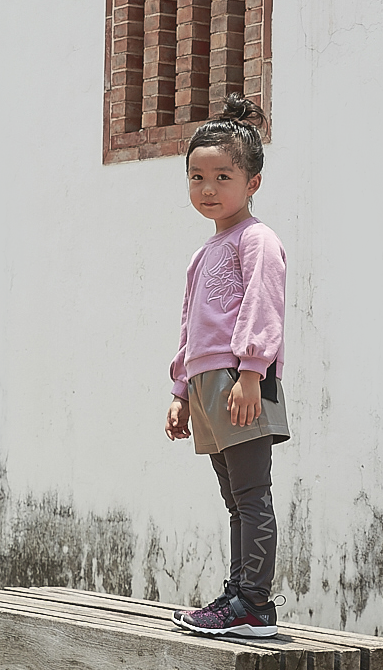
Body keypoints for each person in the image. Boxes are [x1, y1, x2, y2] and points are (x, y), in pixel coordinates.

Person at [165, 93, 290, 638]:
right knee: (233, 499)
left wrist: (249, 374)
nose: (208, 189)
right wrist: (178, 392)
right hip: (208, 385)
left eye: (222, 176)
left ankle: (255, 605)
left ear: (253, 182)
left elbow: (263, 308)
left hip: (243, 383)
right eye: (196, 178)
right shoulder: (204, 252)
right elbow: (190, 325)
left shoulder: (257, 240)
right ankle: (237, 595)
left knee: (251, 495)